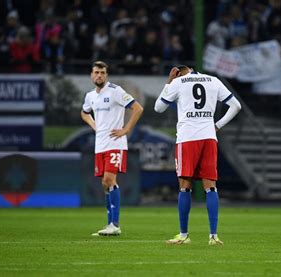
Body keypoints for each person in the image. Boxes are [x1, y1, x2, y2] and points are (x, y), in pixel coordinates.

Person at [154, 65, 241, 245]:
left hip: (187, 138)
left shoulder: (178, 82)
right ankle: (213, 237)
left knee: (185, 185)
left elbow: (158, 108)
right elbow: (236, 106)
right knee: (210, 186)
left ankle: (184, 235)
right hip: (209, 137)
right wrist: (218, 125)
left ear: (179, 72)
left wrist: (169, 82)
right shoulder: (213, 80)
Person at [81, 61, 144, 236]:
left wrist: (126, 129)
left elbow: (137, 108)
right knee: (104, 183)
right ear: (91, 75)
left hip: (115, 143)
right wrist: (94, 125)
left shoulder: (115, 91)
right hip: (99, 145)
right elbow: (84, 112)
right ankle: (110, 223)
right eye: (96, 72)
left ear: (106, 75)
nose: (99, 75)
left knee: (109, 179)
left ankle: (115, 224)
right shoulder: (90, 96)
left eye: (102, 72)